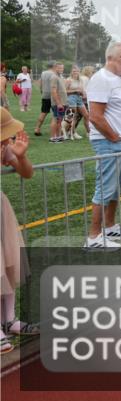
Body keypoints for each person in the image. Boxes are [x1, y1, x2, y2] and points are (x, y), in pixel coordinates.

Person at [85, 42, 121, 250]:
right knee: (105, 187)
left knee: (116, 188)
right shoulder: (101, 79)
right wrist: (114, 138)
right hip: (110, 142)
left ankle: (109, 226)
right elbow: (95, 116)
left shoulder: (118, 80)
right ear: (110, 58)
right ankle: (93, 236)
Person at [1, 108, 40, 353]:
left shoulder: (5, 148)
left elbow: (27, 172)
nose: (7, 138)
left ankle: (9, 319)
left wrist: (21, 156)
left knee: (9, 262)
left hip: (1, 208)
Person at [65, 65, 90, 140]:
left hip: (79, 98)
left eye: (77, 71)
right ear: (71, 72)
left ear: (79, 72)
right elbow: (65, 91)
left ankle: (89, 132)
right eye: (73, 71)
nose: (75, 72)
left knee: (86, 115)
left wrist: (84, 94)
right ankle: (72, 133)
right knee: (74, 116)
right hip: (71, 98)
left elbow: (82, 89)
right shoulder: (68, 80)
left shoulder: (80, 80)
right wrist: (75, 91)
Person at [32, 61, 56, 137]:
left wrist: (41, 91)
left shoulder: (43, 73)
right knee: (55, 113)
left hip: (45, 95)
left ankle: (37, 128)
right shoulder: (55, 74)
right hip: (53, 95)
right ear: (54, 66)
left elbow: (40, 83)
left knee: (43, 112)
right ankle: (54, 130)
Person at [48, 62, 67, 143]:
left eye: (62, 68)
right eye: (59, 68)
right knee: (56, 119)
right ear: (55, 68)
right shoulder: (54, 77)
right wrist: (58, 103)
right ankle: (53, 138)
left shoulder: (60, 77)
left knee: (60, 120)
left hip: (63, 102)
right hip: (58, 103)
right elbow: (53, 91)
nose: (61, 70)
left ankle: (58, 136)